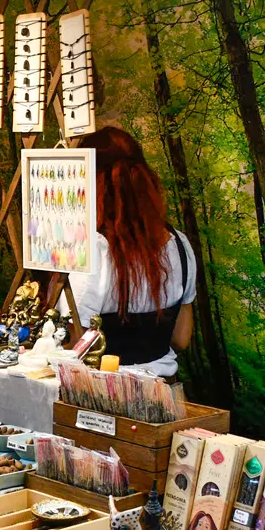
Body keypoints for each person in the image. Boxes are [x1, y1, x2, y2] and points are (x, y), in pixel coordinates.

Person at [65, 126, 197, 377]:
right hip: (163, 392)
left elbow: (74, 346)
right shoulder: (180, 245)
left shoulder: (91, 249)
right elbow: (181, 338)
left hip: (102, 398)